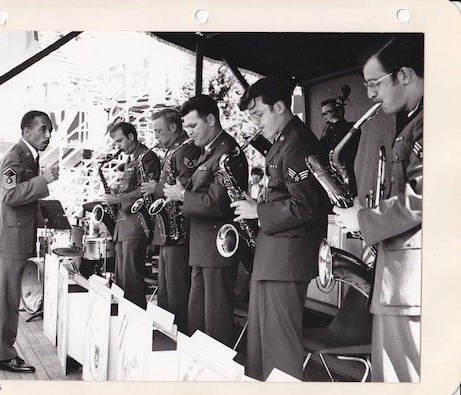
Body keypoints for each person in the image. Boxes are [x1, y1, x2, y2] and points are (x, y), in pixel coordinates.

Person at [332, 36, 423, 382]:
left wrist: (364, 218)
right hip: (398, 278)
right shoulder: (414, 121)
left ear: (403, 74)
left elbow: (422, 198)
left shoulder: (432, 121)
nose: (370, 94)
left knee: (403, 379)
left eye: (374, 84)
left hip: (409, 281)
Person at [231, 76, 329, 380]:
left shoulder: (297, 143)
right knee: (261, 347)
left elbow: (308, 206)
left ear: (280, 107)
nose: (257, 123)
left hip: (285, 260)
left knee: (279, 350)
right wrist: (257, 204)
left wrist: (257, 211)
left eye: (259, 115)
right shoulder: (283, 141)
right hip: (274, 256)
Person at [0, 110, 59, 373]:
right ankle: (3, 355)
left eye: (49, 131)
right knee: (7, 300)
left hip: (10, 238)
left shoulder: (27, 157)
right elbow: (9, 196)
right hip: (9, 240)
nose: (48, 135)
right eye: (43, 129)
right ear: (26, 131)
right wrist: (42, 180)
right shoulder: (14, 157)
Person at [164, 95, 248, 347]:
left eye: (192, 126)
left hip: (216, 248)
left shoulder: (228, 153)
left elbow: (217, 202)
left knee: (216, 322)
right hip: (203, 247)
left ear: (210, 120)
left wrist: (182, 196)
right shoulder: (210, 152)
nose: (188, 133)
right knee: (198, 320)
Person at [140, 108, 201, 333]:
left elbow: (183, 187)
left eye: (159, 131)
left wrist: (155, 187)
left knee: (176, 294)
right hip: (168, 233)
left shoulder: (187, 151)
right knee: (165, 292)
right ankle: (166, 337)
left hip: (178, 232)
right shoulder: (174, 150)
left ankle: (177, 339)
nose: (156, 137)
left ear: (174, 128)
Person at [105, 121, 160, 309]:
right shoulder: (131, 158)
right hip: (124, 226)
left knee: (131, 277)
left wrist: (118, 199)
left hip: (136, 224)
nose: (117, 146)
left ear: (131, 137)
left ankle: (135, 318)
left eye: (120, 140)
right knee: (122, 277)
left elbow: (147, 190)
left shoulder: (146, 157)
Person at [319, 97, 360, 196]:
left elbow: (344, 138)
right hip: (330, 178)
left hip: (344, 177)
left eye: (326, 113)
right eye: (322, 114)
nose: (324, 116)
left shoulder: (350, 127)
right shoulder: (329, 131)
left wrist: (336, 120)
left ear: (337, 111)